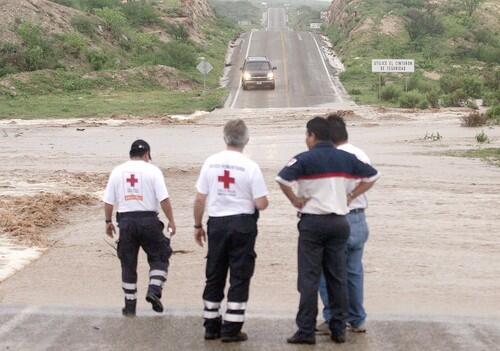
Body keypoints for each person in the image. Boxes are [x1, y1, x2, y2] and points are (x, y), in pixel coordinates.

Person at [276, 117, 379, 345]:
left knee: (309, 279)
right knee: (338, 277)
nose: (306, 139)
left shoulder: (303, 159)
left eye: (307, 135)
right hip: (339, 223)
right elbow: (373, 175)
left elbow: (281, 178)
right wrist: (351, 195)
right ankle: (339, 329)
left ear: (312, 135)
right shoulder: (346, 158)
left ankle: (305, 331)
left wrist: (295, 199)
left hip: (312, 224)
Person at [193, 119, 269, 343]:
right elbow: (261, 203)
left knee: (214, 272)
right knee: (239, 275)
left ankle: (211, 326)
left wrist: (197, 225)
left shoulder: (210, 163)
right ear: (247, 139)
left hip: (216, 224)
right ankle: (232, 328)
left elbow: (199, 198)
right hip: (243, 225)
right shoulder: (250, 166)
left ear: (225, 138)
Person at [103, 139, 176, 317]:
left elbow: (108, 201)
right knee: (160, 256)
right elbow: (164, 199)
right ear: (146, 155)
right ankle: (154, 289)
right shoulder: (153, 170)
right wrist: (171, 221)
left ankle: (129, 307)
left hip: (126, 222)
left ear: (131, 154)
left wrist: (108, 222)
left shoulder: (117, 171)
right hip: (148, 221)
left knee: (128, 263)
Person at [316, 113, 374, 334]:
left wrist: (346, 197)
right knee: (353, 271)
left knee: (326, 271)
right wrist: (355, 194)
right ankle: (357, 319)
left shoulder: (332, 157)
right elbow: (372, 178)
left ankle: (333, 317)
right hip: (359, 219)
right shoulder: (360, 153)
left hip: (337, 219)